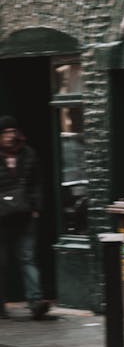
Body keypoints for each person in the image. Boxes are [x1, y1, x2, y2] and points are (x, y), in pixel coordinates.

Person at [0, 116, 49, 320]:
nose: (11, 136)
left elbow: (37, 183)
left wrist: (36, 207)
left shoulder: (28, 153)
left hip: (24, 215)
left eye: (13, 131)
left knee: (27, 257)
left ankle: (36, 301)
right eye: (6, 132)